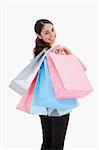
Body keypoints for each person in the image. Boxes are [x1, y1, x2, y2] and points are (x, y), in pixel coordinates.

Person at [33, 19, 86, 150]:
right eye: (46, 33)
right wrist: (67, 52)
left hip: (44, 105)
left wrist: (66, 51)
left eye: (52, 30)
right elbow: (81, 68)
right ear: (39, 36)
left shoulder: (39, 55)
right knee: (56, 145)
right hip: (60, 104)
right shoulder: (56, 52)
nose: (52, 35)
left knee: (47, 142)